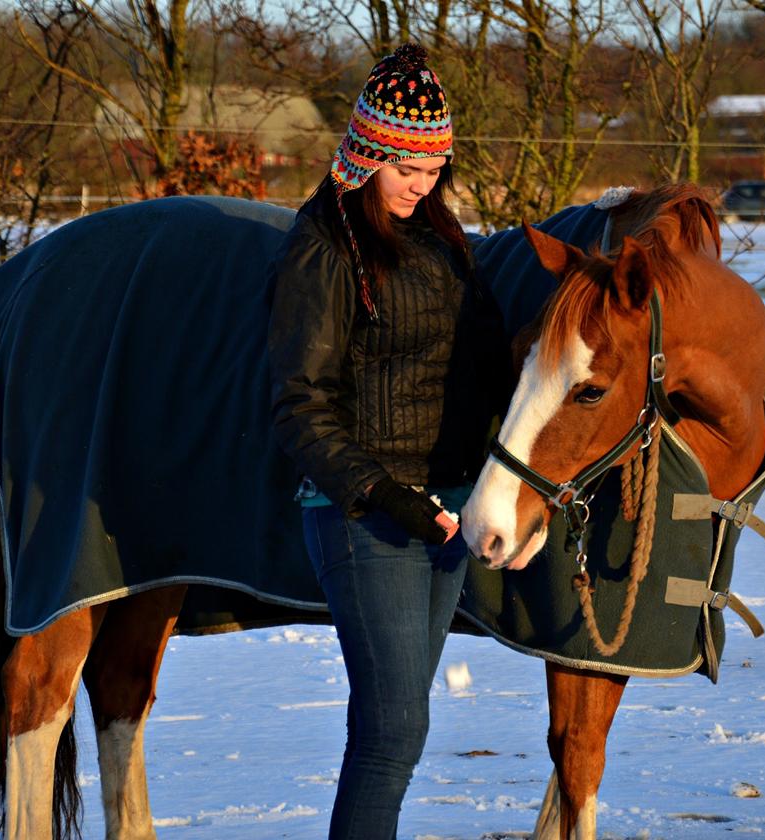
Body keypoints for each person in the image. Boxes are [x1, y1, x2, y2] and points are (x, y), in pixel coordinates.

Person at [267, 42, 510, 839]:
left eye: (434, 169)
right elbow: (301, 405)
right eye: (407, 169)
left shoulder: (442, 243)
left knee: (399, 731)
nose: (421, 185)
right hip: (366, 515)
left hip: (444, 511)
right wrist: (386, 497)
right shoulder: (325, 246)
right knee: (394, 729)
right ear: (367, 154)